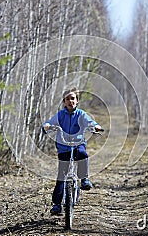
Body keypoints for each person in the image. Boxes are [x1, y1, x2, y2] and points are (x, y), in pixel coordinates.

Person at [42, 87, 103, 215]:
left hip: (78, 144)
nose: (70, 101)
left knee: (82, 154)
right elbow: (50, 122)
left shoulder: (81, 114)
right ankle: (57, 204)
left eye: (73, 98)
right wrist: (47, 126)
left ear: (77, 101)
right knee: (61, 177)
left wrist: (95, 127)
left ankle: (84, 179)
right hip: (64, 147)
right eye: (67, 99)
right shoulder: (60, 115)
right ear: (64, 102)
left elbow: (90, 122)